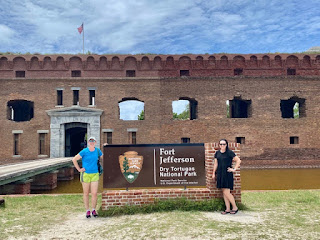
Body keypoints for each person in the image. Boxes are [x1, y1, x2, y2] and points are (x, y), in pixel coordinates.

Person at [72, 136, 103, 218]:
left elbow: (104, 157)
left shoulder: (97, 151)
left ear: (95, 142)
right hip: (86, 174)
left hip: (95, 174)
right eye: (90, 141)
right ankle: (87, 210)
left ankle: (93, 209)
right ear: (88, 143)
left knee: (94, 193)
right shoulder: (84, 151)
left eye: (93, 141)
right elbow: (74, 159)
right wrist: (79, 169)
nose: (92, 142)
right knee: (86, 193)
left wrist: (106, 147)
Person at [212, 139, 241, 215]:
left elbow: (238, 160)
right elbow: (216, 164)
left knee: (227, 192)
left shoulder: (229, 153)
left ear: (226, 145)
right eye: (221, 144)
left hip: (227, 174)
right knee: (224, 192)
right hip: (220, 174)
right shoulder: (217, 153)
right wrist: (213, 173)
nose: (222, 146)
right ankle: (227, 209)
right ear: (219, 145)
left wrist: (234, 169)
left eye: (224, 144)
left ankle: (235, 207)